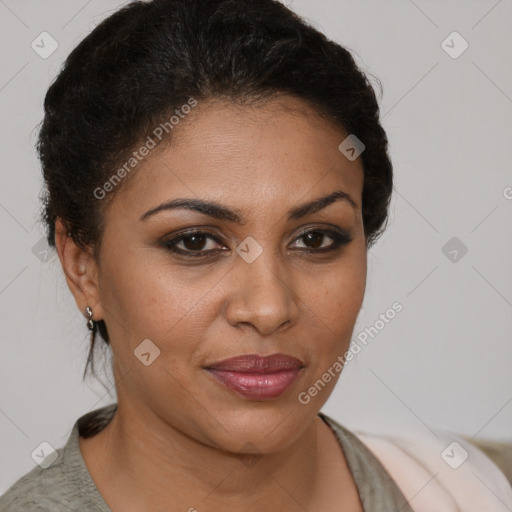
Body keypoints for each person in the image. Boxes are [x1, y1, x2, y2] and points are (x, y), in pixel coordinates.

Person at [1, 0, 510, 510]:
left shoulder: (475, 492)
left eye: (314, 239)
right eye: (195, 241)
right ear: (82, 267)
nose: (268, 309)